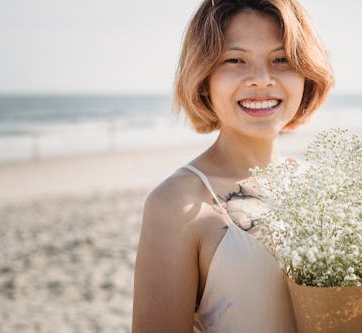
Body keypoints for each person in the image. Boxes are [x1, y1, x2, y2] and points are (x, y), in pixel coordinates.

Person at [132, 0, 333, 331]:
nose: (261, 79)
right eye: (235, 60)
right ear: (204, 77)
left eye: (281, 59)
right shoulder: (176, 205)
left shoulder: (322, 185)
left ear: (305, 71)